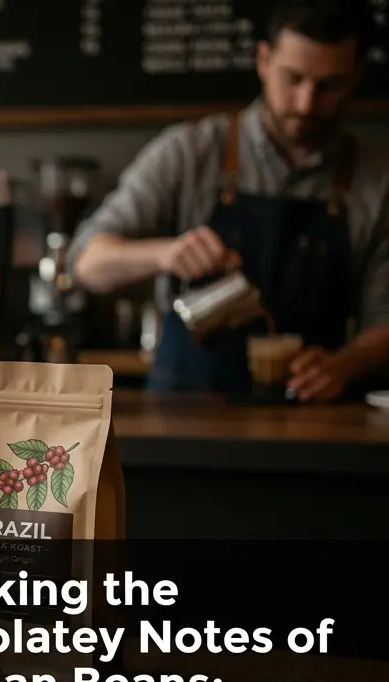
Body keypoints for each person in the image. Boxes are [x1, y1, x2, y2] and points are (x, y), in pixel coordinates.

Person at [69, 0, 389, 401]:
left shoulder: (377, 180)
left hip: (312, 420)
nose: (307, 103)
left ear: (357, 76)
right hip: (186, 413)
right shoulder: (188, 153)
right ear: (263, 60)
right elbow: (86, 262)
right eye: (294, 78)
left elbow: (384, 319)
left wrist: (345, 365)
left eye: (330, 85)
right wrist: (164, 254)